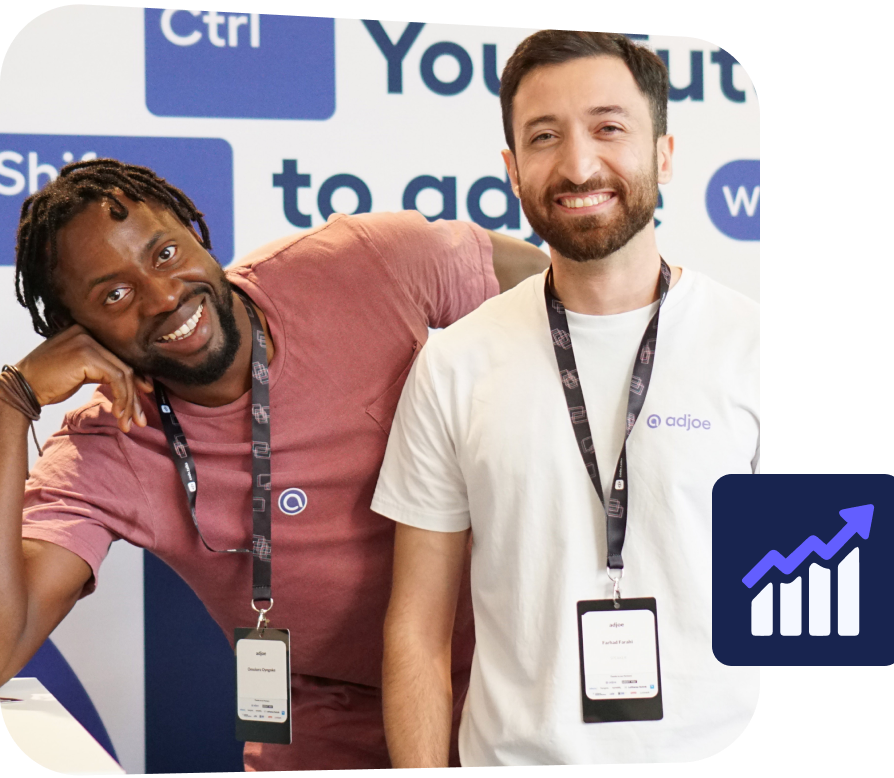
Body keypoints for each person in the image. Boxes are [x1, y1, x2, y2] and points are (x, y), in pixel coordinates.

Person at [0, 158, 550, 771]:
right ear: (75, 331)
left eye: (164, 254)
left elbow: (567, 293)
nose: (164, 297)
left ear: (194, 232)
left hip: (520, 678)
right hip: (332, 720)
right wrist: (10, 401)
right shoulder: (110, 445)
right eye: (115, 295)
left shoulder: (357, 263)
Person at [374, 30, 759, 766]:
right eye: (545, 137)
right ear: (513, 171)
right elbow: (417, 629)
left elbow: (817, 610)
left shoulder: (749, 347)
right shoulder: (454, 364)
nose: (579, 165)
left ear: (664, 154)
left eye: (609, 128)